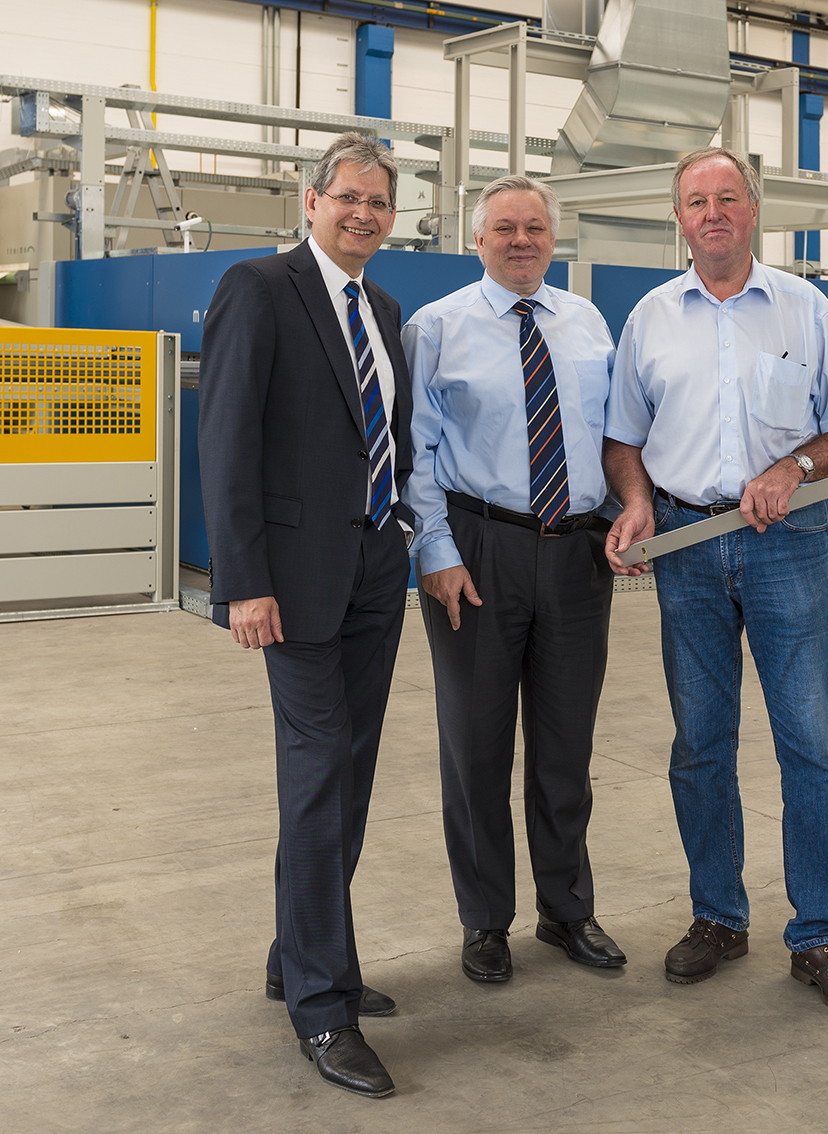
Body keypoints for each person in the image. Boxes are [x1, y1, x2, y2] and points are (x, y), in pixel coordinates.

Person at [603, 147, 828, 1019]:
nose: (713, 213)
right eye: (696, 201)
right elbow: (622, 438)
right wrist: (639, 504)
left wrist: (794, 465)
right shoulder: (651, 317)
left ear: (753, 211)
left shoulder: (806, 307)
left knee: (811, 742)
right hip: (686, 543)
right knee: (700, 742)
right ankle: (718, 917)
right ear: (679, 220)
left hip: (787, 541)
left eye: (728, 198)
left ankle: (820, 935)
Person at [198, 132, 413, 1097]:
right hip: (290, 580)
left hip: (375, 568)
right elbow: (226, 438)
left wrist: (405, 536)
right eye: (349, 197)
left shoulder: (385, 308)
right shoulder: (261, 288)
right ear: (312, 200)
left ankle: (297, 954)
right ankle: (322, 1009)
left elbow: (389, 439)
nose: (363, 213)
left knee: (351, 774)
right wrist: (242, 581)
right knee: (319, 772)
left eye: (380, 202)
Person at [402, 174, 625, 984]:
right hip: (478, 552)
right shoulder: (437, 328)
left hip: (575, 554)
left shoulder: (589, 323)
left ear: (553, 238)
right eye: (504, 227)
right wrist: (436, 552)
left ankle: (568, 912)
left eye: (534, 226)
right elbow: (414, 455)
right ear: (477, 238)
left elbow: (616, 438)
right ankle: (484, 921)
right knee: (477, 747)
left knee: (566, 747)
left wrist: (622, 515)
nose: (521, 239)